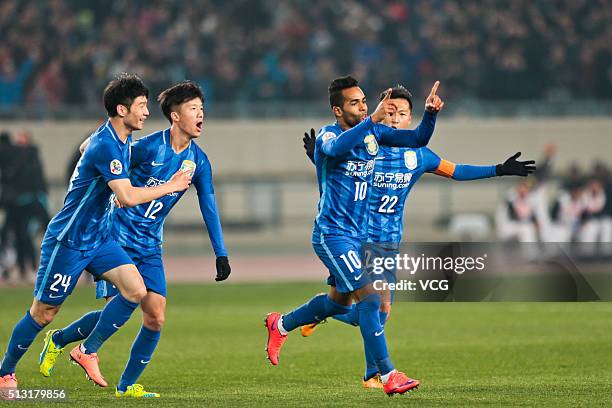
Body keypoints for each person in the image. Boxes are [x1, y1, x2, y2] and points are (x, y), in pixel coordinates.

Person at [300, 85, 535, 388]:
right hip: (358, 239)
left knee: (372, 310)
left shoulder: (419, 155)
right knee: (375, 306)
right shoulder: (369, 144)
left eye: (403, 113)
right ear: (383, 112)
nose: (396, 118)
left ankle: (323, 316)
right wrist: (317, 158)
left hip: (389, 242)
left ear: (411, 118)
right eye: (392, 111)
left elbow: (457, 170)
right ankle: (376, 373)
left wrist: (499, 169)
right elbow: (341, 174)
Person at [0, 73, 192, 395]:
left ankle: (86, 351)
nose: (146, 113)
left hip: (99, 237)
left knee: (135, 290)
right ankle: (5, 372)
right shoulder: (108, 145)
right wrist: (171, 185)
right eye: (142, 106)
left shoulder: (115, 139)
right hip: (69, 240)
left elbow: (84, 145)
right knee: (44, 312)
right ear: (121, 109)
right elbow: (128, 196)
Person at [39, 81, 231, 398]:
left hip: (150, 245)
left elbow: (209, 208)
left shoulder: (199, 162)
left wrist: (220, 254)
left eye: (202, 109)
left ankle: (121, 382)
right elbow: (99, 152)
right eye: (193, 109)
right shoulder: (149, 147)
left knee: (155, 317)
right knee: (123, 305)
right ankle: (81, 349)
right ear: (174, 115)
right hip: (117, 237)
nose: (201, 115)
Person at [264, 75, 444, 396]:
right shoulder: (329, 136)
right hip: (332, 235)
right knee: (372, 299)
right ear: (337, 109)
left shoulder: (373, 133)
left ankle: (280, 324)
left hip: (359, 237)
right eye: (354, 103)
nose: (362, 107)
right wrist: (372, 119)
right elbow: (338, 147)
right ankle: (387, 375)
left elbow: (417, 139)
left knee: (337, 304)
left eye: (363, 101)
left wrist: (430, 114)